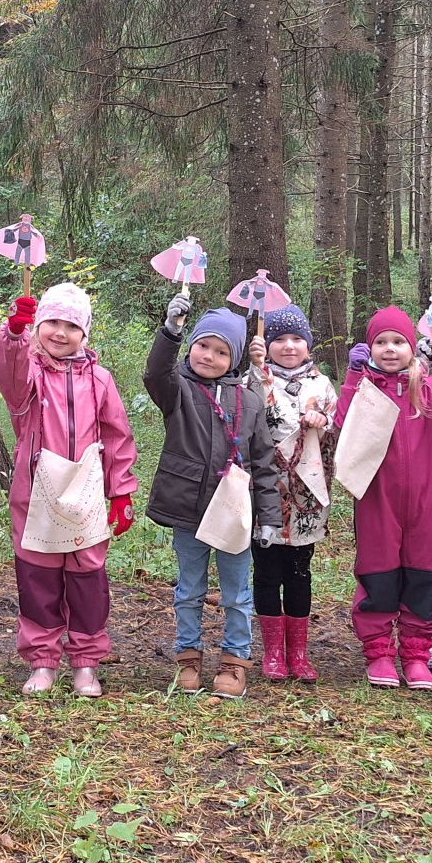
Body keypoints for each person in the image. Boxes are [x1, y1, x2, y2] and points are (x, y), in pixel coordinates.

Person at [0, 283, 138, 698]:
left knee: (86, 577)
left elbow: (116, 436)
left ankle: (86, 663)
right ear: (40, 326)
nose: (60, 332)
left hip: (87, 490)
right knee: (39, 577)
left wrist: (121, 490)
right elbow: (9, 370)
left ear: (85, 332)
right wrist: (15, 334)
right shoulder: (30, 374)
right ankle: (42, 661)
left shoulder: (100, 379)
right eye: (52, 322)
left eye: (71, 325)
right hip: (36, 488)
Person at [144, 296, 280, 699]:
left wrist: (268, 517)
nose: (209, 355)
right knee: (189, 588)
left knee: (237, 591)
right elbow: (156, 373)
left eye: (221, 351)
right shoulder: (178, 390)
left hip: (235, 511)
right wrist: (171, 330)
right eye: (203, 345)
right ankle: (188, 658)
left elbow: (264, 463)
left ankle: (235, 661)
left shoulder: (250, 401)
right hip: (188, 508)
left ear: (234, 358)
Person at [334, 308, 432, 690]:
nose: (390, 349)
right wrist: (352, 377)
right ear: (370, 348)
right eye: (381, 342)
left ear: (412, 349)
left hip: (426, 503)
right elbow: (342, 424)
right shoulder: (365, 387)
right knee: (378, 573)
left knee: (426, 574)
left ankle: (416, 656)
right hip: (377, 499)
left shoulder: (427, 388)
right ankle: (379, 653)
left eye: (398, 342)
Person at [244, 306, 337, 683]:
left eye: (297, 338)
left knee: (300, 571)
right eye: (279, 339)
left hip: (306, 495)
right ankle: (271, 652)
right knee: (266, 572)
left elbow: (336, 427)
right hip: (265, 491)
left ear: (308, 345)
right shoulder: (255, 378)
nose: (288, 346)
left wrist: (322, 422)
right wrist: (256, 368)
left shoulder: (322, 384)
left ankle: (298, 653)